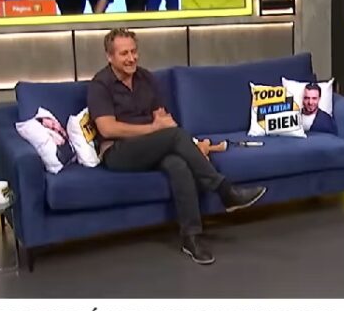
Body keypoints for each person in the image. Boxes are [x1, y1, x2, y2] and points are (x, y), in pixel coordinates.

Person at [87, 28, 266, 265]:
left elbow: (163, 119)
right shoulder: (100, 84)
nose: (131, 58)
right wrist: (153, 128)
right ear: (109, 57)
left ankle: (191, 237)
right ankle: (225, 191)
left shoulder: (146, 78)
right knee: (175, 137)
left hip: (151, 147)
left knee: (178, 164)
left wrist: (177, 140)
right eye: (124, 54)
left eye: (134, 51)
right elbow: (108, 129)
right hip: (118, 152)